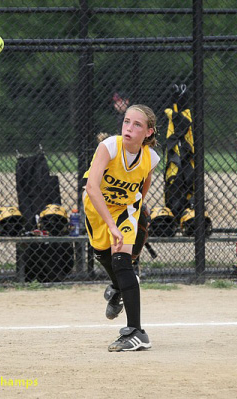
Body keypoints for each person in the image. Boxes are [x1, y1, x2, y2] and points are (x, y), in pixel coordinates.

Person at [83, 104, 160, 352]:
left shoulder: (151, 158)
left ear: (149, 132)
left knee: (122, 261)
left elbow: (142, 186)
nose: (129, 128)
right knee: (104, 256)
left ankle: (136, 332)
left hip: (125, 212)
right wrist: (110, 225)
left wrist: (134, 215)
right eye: (127, 121)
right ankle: (118, 287)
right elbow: (92, 188)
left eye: (137, 125)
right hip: (97, 211)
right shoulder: (109, 147)